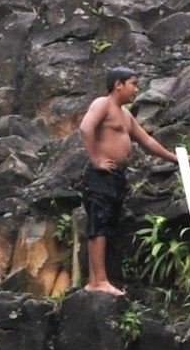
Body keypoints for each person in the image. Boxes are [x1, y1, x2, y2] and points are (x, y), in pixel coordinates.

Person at [73, 66, 177, 296]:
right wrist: (97, 159)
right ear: (118, 84)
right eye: (133, 84)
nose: (136, 89)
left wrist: (175, 158)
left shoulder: (125, 114)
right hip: (100, 174)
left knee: (107, 223)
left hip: (116, 175)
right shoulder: (103, 104)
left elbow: (147, 142)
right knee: (99, 222)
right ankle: (99, 281)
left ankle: (95, 281)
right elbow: (85, 127)